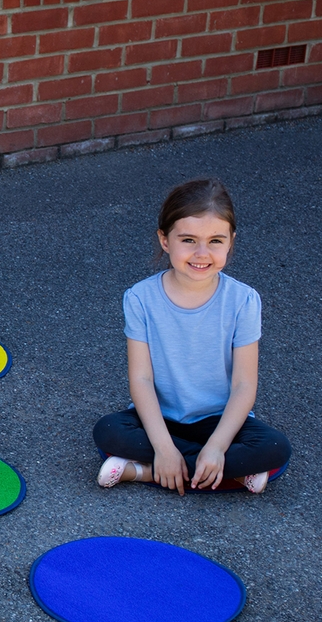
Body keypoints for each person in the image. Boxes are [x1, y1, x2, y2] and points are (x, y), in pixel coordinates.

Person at [94, 178, 291, 495]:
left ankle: (143, 472)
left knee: (275, 447)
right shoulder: (140, 298)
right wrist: (163, 447)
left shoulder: (243, 301)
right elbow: (141, 379)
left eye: (215, 240)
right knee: (108, 431)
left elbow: (244, 385)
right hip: (160, 419)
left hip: (219, 421)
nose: (202, 253)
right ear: (165, 240)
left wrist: (216, 446)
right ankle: (226, 475)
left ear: (231, 242)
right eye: (188, 240)